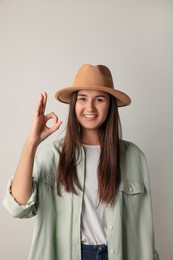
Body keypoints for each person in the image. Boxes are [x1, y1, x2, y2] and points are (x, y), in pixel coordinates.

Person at [3, 64, 160, 260]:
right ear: (74, 104)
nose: (90, 107)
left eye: (99, 99)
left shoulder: (134, 157)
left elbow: (143, 228)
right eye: (82, 99)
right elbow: (18, 207)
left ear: (110, 105)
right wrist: (31, 143)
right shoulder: (51, 155)